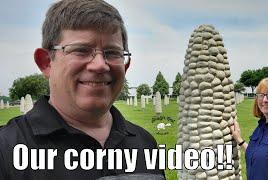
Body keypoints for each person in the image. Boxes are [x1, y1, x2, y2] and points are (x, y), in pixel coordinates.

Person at [0, 0, 165, 179]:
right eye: (81, 50)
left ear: (125, 66)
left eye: (112, 53)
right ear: (46, 62)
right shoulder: (6, 149)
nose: (100, 65)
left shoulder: (145, 143)